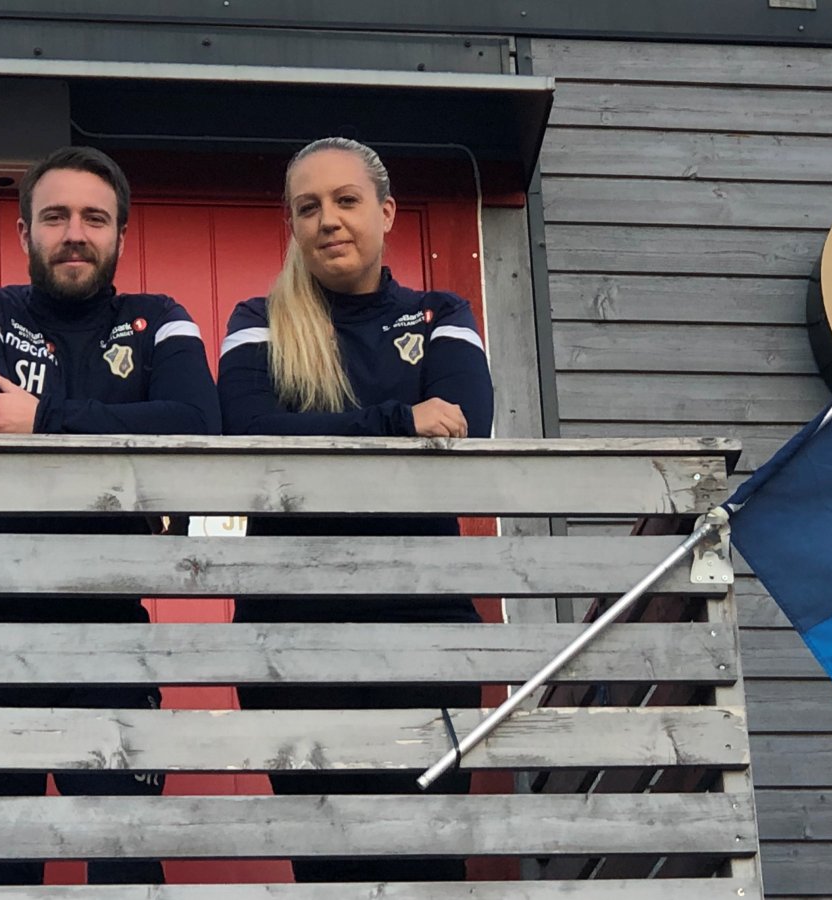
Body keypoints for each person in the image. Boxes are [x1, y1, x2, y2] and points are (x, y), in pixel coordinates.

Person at [0, 145, 221, 886]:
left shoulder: (160, 321)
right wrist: (122, 449)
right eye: (55, 217)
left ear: (121, 232)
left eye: (94, 218)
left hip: (109, 629)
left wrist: (42, 419)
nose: (74, 234)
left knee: (126, 861)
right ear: (24, 230)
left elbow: (197, 423)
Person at [217, 137, 493, 882]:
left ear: (387, 212)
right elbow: (250, 433)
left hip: (427, 628)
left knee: (429, 860)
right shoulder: (257, 319)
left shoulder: (440, 312)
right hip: (291, 637)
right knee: (327, 861)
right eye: (308, 207)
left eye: (346, 201)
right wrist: (399, 422)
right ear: (292, 224)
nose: (328, 220)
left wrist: (327, 435)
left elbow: (466, 421)